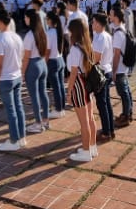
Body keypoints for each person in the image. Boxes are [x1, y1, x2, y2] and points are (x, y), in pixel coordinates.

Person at [0, 10, 27, 151]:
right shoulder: (16, 37)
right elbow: (22, 56)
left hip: (6, 78)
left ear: (0, 22)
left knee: (11, 110)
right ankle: (21, 137)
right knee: (18, 107)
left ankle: (14, 140)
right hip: (16, 75)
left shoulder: (0, 39)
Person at [66, 19, 96, 162]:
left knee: (83, 121)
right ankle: (91, 146)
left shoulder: (75, 49)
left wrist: (69, 91)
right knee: (90, 119)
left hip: (78, 83)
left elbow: (73, 73)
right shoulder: (88, 45)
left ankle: (85, 152)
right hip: (87, 82)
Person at [21, 8, 51, 135]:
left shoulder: (29, 35)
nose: (24, 19)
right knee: (43, 93)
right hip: (42, 63)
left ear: (30, 19)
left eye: (26, 17)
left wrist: (22, 73)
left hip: (33, 65)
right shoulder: (42, 32)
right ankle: (45, 119)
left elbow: (26, 57)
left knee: (34, 96)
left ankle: (38, 123)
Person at [91, 12, 115, 140]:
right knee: (106, 103)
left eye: (93, 22)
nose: (92, 24)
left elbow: (96, 58)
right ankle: (110, 128)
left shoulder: (100, 37)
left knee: (102, 104)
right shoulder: (106, 35)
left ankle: (106, 132)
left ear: (99, 24)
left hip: (101, 72)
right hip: (107, 70)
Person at [109, 7, 134, 129]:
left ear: (116, 17)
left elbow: (117, 54)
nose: (109, 16)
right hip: (123, 66)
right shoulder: (122, 29)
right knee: (126, 91)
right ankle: (128, 113)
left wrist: (113, 71)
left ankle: (125, 116)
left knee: (123, 93)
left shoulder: (118, 33)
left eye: (111, 14)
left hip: (119, 68)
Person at [45, 10, 67, 119]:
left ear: (50, 20)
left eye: (47, 19)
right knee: (60, 86)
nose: (45, 21)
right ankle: (61, 108)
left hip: (53, 61)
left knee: (56, 87)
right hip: (60, 59)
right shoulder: (58, 31)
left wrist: (44, 63)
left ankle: (58, 109)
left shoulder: (49, 33)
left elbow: (47, 51)